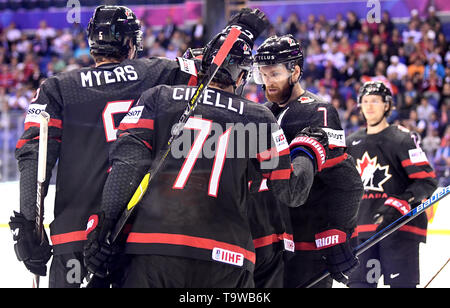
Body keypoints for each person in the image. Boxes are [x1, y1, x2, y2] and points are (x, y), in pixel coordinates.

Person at [9, 5, 267, 288]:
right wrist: (240, 31)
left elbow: (33, 154)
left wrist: (29, 226)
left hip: (75, 236)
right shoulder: (158, 72)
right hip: (135, 235)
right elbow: (216, 65)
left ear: (92, 40)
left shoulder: (57, 87)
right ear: (132, 43)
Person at [81, 27, 318, 288]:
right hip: (227, 257)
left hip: (152, 250)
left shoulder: (158, 97)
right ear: (241, 78)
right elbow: (291, 191)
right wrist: (308, 148)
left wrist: (100, 229)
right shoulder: (258, 117)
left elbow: (127, 166)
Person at [252, 35, 364, 288]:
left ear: (295, 72)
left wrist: (338, 231)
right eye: (263, 75)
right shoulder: (265, 112)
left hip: (307, 246)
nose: (268, 83)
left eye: (275, 74)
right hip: (271, 244)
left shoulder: (318, 111)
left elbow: (347, 181)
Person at [346, 81, 438, 288]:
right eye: (365, 101)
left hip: (399, 230)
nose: (369, 106)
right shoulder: (351, 143)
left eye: (375, 101)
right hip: (361, 233)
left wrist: (402, 202)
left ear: (387, 105)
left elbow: (427, 181)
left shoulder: (402, 138)